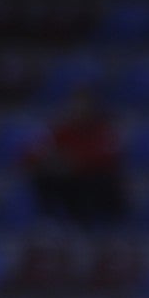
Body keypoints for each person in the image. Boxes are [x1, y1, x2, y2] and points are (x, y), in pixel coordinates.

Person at [23, 88, 127, 226]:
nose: (80, 110)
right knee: (45, 178)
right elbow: (31, 155)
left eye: (84, 106)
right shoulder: (60, 130)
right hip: (67, 182)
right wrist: (52, 162)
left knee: (95, 181)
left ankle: (95, 224)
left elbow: (108, 156)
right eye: (76, 105)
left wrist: (73, 161)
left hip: (97, 184)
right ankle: (50, 221)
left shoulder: (104, 130)